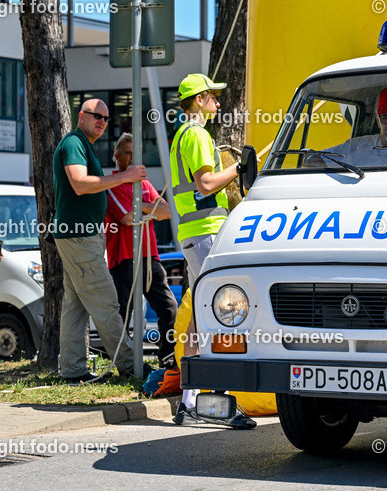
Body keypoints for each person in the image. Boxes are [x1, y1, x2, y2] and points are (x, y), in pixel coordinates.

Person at [170, 73, 255, 429]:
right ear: (201, 99)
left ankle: (190, 402)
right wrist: (238, 169)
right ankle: (218, 404)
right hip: (208, 232)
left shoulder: (181, 136)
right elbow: (206, 184)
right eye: (214, 97)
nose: (218, 104)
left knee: (197, 320)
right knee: (225, 313)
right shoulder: (198, 134)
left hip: (193, 234)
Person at [53, 99, 149, 384]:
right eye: (97, 116)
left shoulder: (83, 145)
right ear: (81, 116)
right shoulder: (74, 143)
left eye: (106, 119)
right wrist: (125, 177)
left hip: (79, 235)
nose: (103, 122)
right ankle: (132, 367)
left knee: (76, 306)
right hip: (79, 236)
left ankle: (73, 371)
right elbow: (80, 184)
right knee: (106, 303)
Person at [105, 133, 179, 370]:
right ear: (117, 157)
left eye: (135, 154)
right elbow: (127, 218)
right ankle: (125, 365)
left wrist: (140, 207)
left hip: (150, 258)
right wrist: (149, 209)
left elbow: (167, 212)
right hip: (124, 258)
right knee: (123, 316)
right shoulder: (112, 185)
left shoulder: (145, 185)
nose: (132, 158)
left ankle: (167, 359)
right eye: (127, 153)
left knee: (169, 308)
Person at [323, 86, 387, 167]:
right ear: (378, 120)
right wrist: (311, 159)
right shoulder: (356, 146)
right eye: (386, 118)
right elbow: (315, 158)